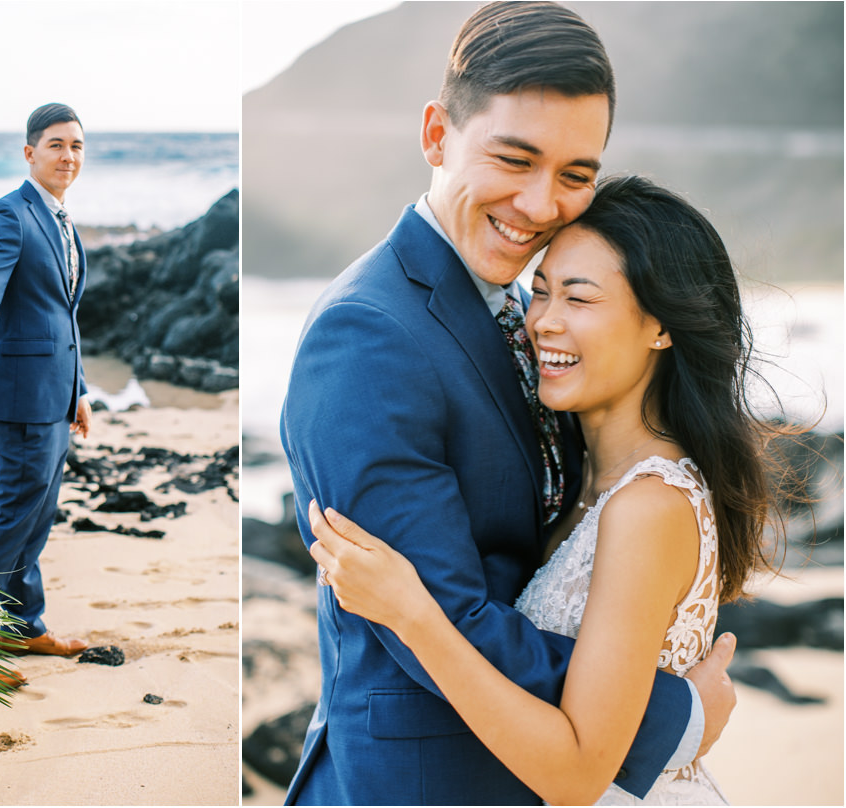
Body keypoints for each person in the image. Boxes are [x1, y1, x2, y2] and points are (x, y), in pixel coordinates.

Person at [278, 3, 736, 805]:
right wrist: (664, 707)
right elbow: (435, 617)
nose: (538, 204)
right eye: (513, 159)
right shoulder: (368, 335)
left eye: (574, 175)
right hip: (424, 781)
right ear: (435, 136)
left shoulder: (519, 310)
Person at [311, 174, 782, 804]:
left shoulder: (649, 506)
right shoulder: (581, 476)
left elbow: (579, 772)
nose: (544, 322)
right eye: (539, 292)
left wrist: (412, 614)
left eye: (579, 300)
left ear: (662, 327)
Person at [0, 102, 93, 661]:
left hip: (56, 396)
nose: (67, 155)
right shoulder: (9, 214)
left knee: (37, 514)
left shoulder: (61, 219)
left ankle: (20, 625)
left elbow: (62, 312)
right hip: (18, 395)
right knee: (12, 516)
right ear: (30, 153)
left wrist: (78, 389)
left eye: (76, 146)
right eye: (56, 144)